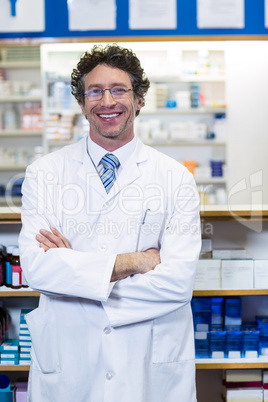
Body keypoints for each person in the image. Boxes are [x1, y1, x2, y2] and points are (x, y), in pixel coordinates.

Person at [19, 44, 201, 402]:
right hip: (72, 360)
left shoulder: (175, 179)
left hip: (147, 359)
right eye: (95, 91)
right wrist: (133, 262)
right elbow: (38, 269)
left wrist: (75, 275)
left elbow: (178, 283)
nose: (107, 101)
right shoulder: (44, 174)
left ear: (139, 99)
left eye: (119, 90)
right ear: (81, 102)